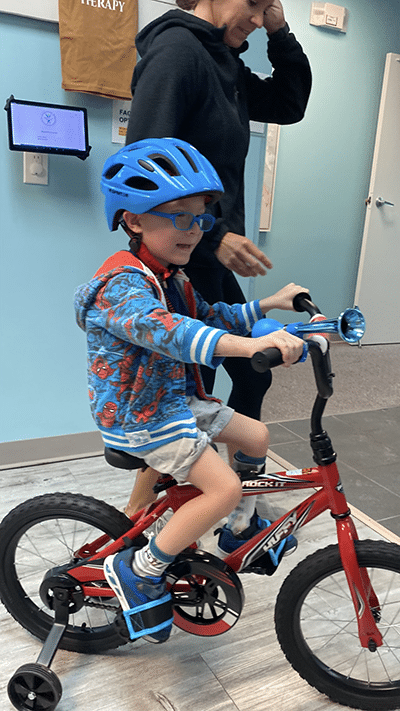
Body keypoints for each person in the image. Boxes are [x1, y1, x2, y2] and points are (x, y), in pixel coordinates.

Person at [74, 138, 307, 642]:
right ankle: (141, 572)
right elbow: (173, 333)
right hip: (141, 415)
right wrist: (250, 349)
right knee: (220, 487)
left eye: (200, 217)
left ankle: (239, 525)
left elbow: (208, 317)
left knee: (256, 437)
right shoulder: (121, 285)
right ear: (133, 220)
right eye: (179, 217)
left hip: (176, 402)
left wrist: (271, 304)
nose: (195, 230)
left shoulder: (172, 278)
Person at [122, 0, 312, 515]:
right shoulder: (177, 54)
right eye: (253, 3)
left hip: (206, 256)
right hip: (176, 258)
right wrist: (213, 235)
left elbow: (289, 103)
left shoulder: (221, 60)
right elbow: (142, 172)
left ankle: (239, 501)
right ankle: (135, 525)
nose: (258, 15)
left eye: (267, 5)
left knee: (250, 372)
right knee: (184, 392)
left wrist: (281, 30)